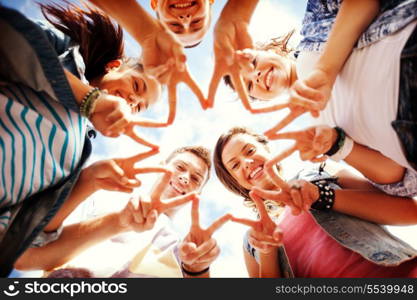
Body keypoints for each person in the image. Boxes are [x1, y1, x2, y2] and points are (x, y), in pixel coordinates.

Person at [213, 127, 417, 277]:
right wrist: (267, 253)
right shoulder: (253, 241)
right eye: (235, 165)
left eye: (249, 151)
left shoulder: (320, 173)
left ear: (267, 149)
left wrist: (322, 196)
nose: (247, 163)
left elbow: (410, 211)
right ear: (236, 182)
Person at [14, 146, 225, 278]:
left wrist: (198, 269)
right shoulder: (102, 198)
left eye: (196, 178)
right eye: (180, 167)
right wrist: (118, 221)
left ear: (198, 192)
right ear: (162, 166)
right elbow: (30, 256)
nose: (185, 178)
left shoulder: (182, 250)